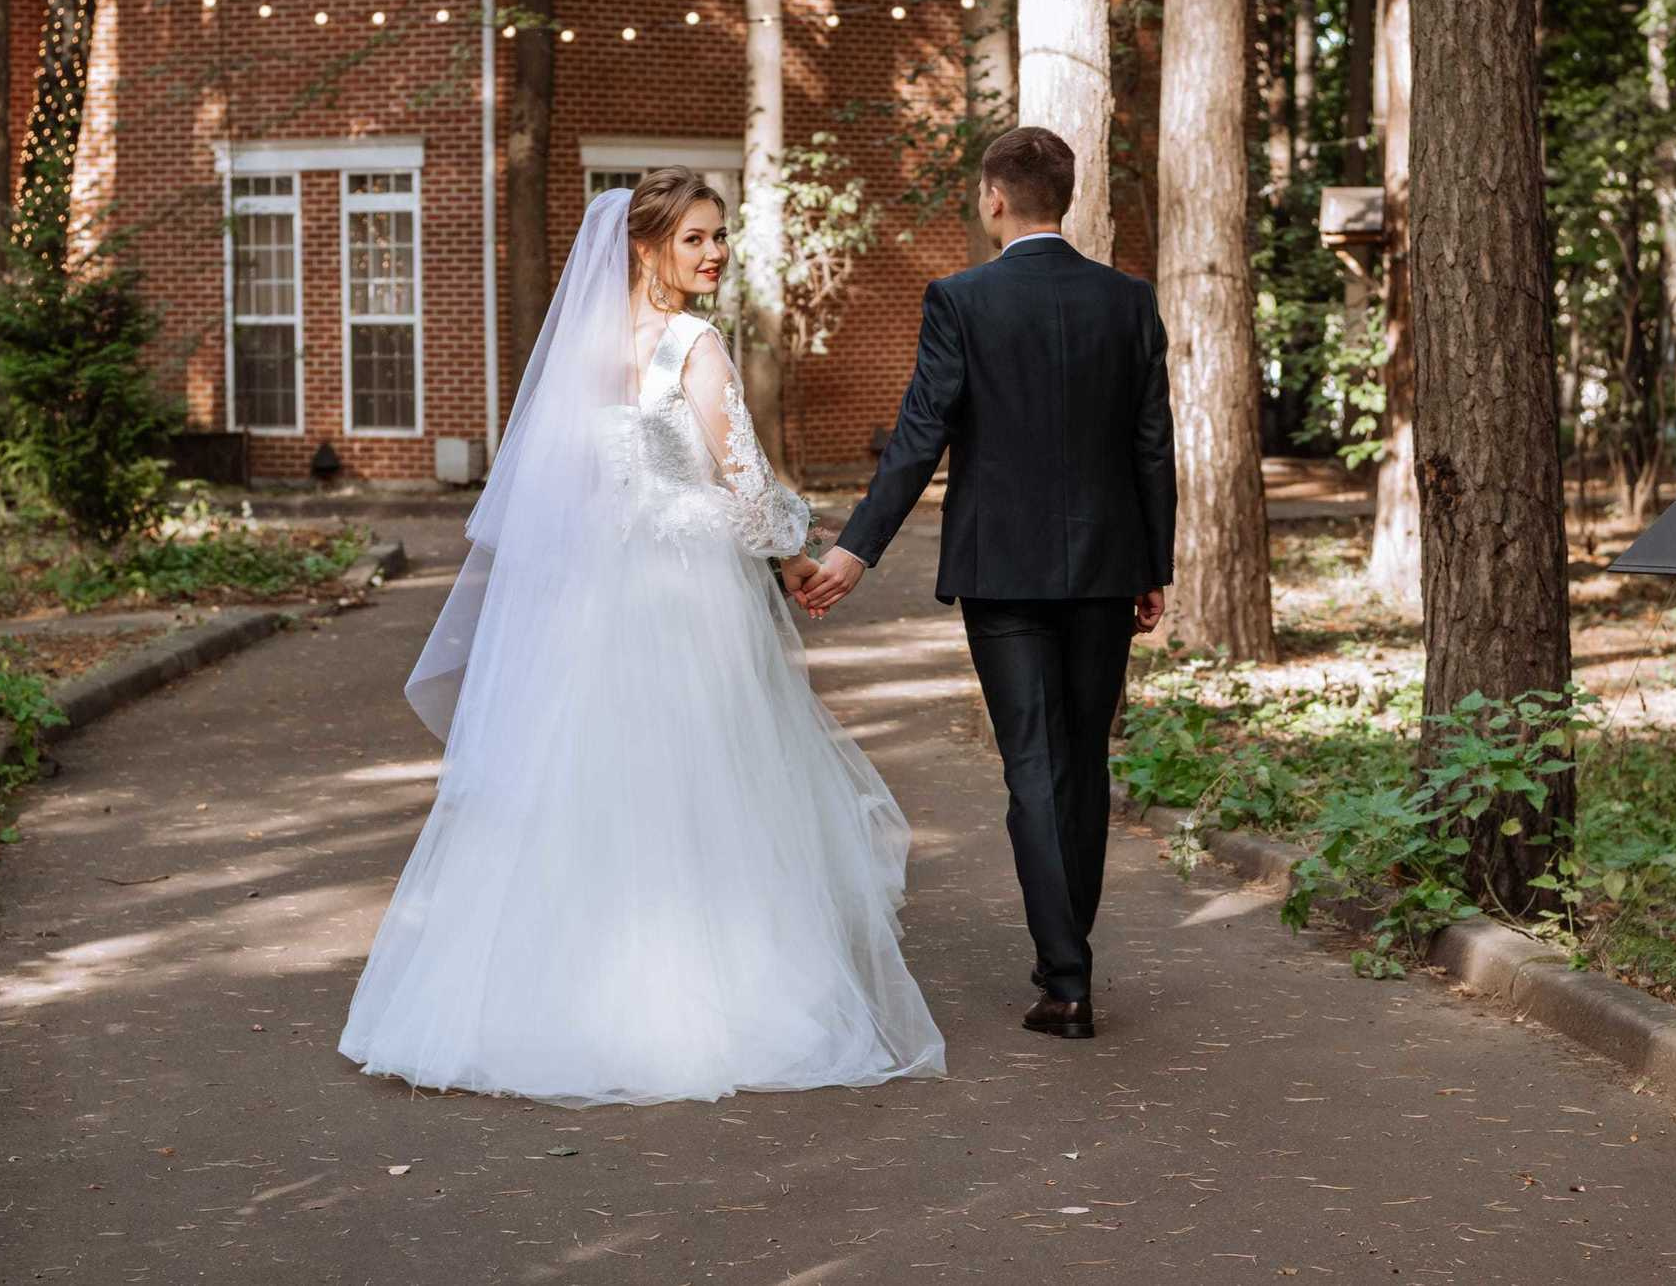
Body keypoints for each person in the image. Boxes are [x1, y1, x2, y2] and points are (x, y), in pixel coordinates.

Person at [339, 170, 945, 1106]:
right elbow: (744, 487)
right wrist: (800, 552)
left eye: (719, 236)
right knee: (707, 784)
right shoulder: (696, 345)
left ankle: (555, 999)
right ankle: (710, 1001)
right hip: (685, 595)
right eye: (697, 237)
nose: (714, 253)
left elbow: (560, 490)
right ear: (647, 245)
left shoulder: (580, 346)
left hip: (591, 597)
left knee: (591, 785)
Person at [798, 126, 1176, 1041]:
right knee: (1083, 762)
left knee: (1034, 764)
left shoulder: (961, 300)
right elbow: (1152, 445)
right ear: (1069, 199)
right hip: (1104, 568)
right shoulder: (1127, 300)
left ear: (993, 198)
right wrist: (1153, 564)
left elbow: (921, 432)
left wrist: (855, 549)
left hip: (1002, 572)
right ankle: (1066, 960)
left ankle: (1068, 979)